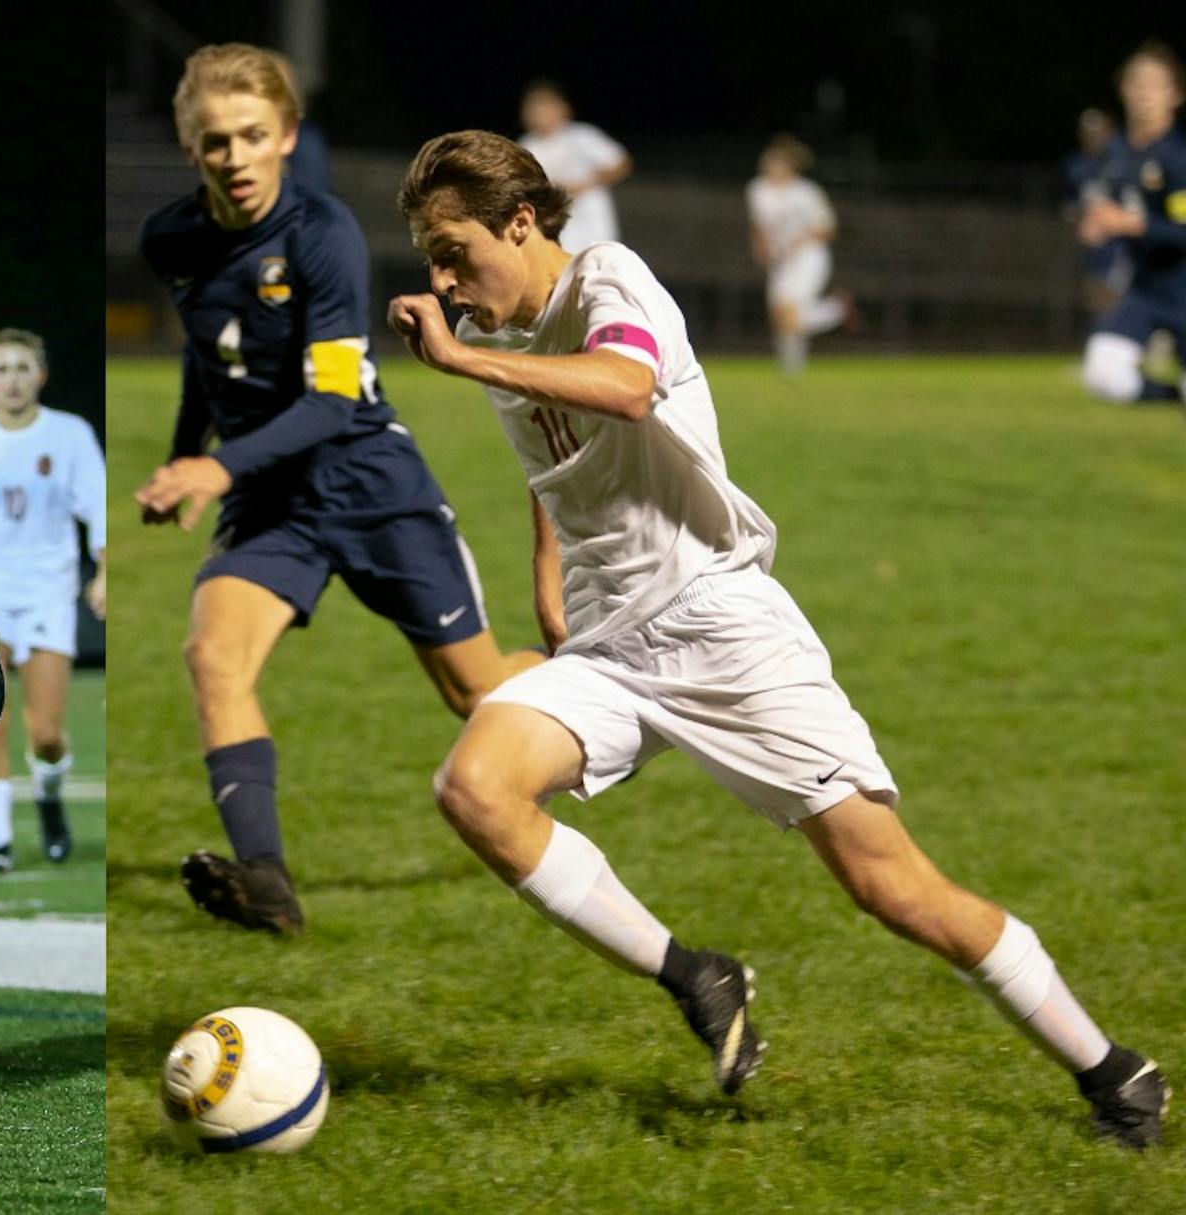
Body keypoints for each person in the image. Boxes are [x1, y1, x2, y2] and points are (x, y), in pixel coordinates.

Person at [385, 129, 1167, 1148]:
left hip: (724, 632)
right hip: (613, 649)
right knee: (475, 789)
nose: (442, 280)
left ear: (520, 222)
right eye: (429, 260)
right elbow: (554, 455)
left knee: (893, 888)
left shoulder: (611, 279)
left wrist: (456, 357)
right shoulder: (503, 341)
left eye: (453, 251)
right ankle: (695, 976)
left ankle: (1114, 1071)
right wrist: (551, 581)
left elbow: (621, 387)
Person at [135, 44, 539, 936]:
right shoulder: (171, 240)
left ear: (286, 136)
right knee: (214, 658)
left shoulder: (322, 235)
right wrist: (181, 456)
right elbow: (212, 359)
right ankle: (268, 882)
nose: (235, 157)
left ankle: (610, 690)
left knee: (479, 696)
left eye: (252, 136)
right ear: (190, 149)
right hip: (269, 499)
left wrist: (214, 465)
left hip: (365, 477)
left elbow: (328, 402)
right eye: (214, 142)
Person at [0, 329, 105, 871]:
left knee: (44, 733)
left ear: (40, 376)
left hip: (47, 592)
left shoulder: (69, 435)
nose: (12, 379)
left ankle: (49, 792)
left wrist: (104, 570)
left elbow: (98, 507)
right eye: (2, 369)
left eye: (23, 368)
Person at [1079, 41, 1186, 405]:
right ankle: (1172, 396)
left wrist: (1132, 224)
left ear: (1174, 95)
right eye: (1135, 83)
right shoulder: (1118, 154)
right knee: (1103, 372)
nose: (1143, 93)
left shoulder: (1179, 157)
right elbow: (1112, 211)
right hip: (1146, 289)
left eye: (1153, 84)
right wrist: (1099, 226)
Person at [746, 134, 855, 379]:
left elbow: (828, 228)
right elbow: (758, 227)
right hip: (781, 261)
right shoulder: (757, 190)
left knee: (789, 313)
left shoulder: (806, 192)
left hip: (808, 258)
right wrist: (760, 247)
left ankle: (836, 311)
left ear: (790, 166)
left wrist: (801, 238)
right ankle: (793, 370)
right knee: (780, 316)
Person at [518, 80, 631, 254]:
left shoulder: (581, 136)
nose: (539, 113)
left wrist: (586, 183)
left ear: (562, 108)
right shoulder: (527, 145)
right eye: (534, 108)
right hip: (555, 228)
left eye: (545, 106)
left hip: (592, 223)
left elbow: (621, 164)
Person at [1064, 107, 1131, 323]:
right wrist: (1082, 222)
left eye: (1099, 131)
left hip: (1124, 243)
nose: (1094, 137)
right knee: (1094, 295)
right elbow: (1071, 206)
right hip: (1094, 246)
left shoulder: (1125, 161)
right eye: (1088, 132)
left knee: (1117, 293)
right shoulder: (1077, 166)